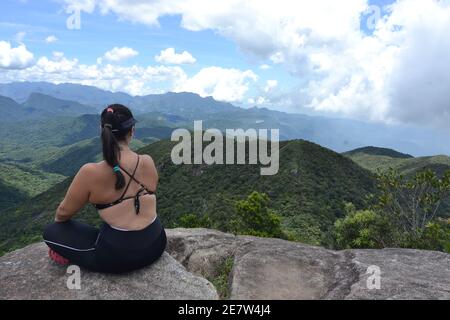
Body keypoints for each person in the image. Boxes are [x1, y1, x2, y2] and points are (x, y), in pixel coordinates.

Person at [43, 104, 166, 274]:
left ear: (102, 131)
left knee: (52, 231)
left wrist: (61, 241)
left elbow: (63, 213)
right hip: (156, 243)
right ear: (132, 131)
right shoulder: (147, 161)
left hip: (118, 257)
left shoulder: (91, 172)